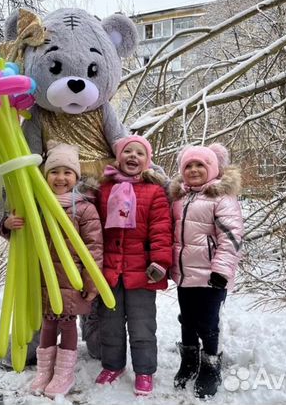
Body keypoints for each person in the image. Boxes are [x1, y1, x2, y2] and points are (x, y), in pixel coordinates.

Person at [3, 141, 103, 398]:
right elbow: (21, 236)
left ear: (76, 176)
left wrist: (91, 280)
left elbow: (94, 247)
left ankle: (64, 373)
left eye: (67, 172)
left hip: (72, 279)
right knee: (47, 323)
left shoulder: (84, 207)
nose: (60, 178)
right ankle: (44, 371)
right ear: (45, 175)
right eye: (54, 172)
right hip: (42, 277)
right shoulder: (34, 204)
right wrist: (8, 224)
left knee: (67, 324)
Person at [95, 135, 172, 396]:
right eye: (128, 151)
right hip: (110, 270)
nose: (133, 157)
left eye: (140, 153)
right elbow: (93, 229)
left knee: (142, 325)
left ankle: (144, 370)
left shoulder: (154, 192)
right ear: (119, 158)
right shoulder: (104, 190)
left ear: (147, 161)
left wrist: (160, 262)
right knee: (110, 324)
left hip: (142, 273)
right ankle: (113, 365)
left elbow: (161, 230)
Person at [169, 143, 244, 399]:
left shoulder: (221, 198)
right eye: (188, 165)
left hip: (213, 276)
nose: (194, 169)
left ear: (212, 168)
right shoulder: (179, 198)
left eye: (200, 164)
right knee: (187, 320)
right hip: (184, 274)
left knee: (209, 323)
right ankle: (189, 359)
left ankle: (211, 363)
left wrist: (222, 270)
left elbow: (231, 237)